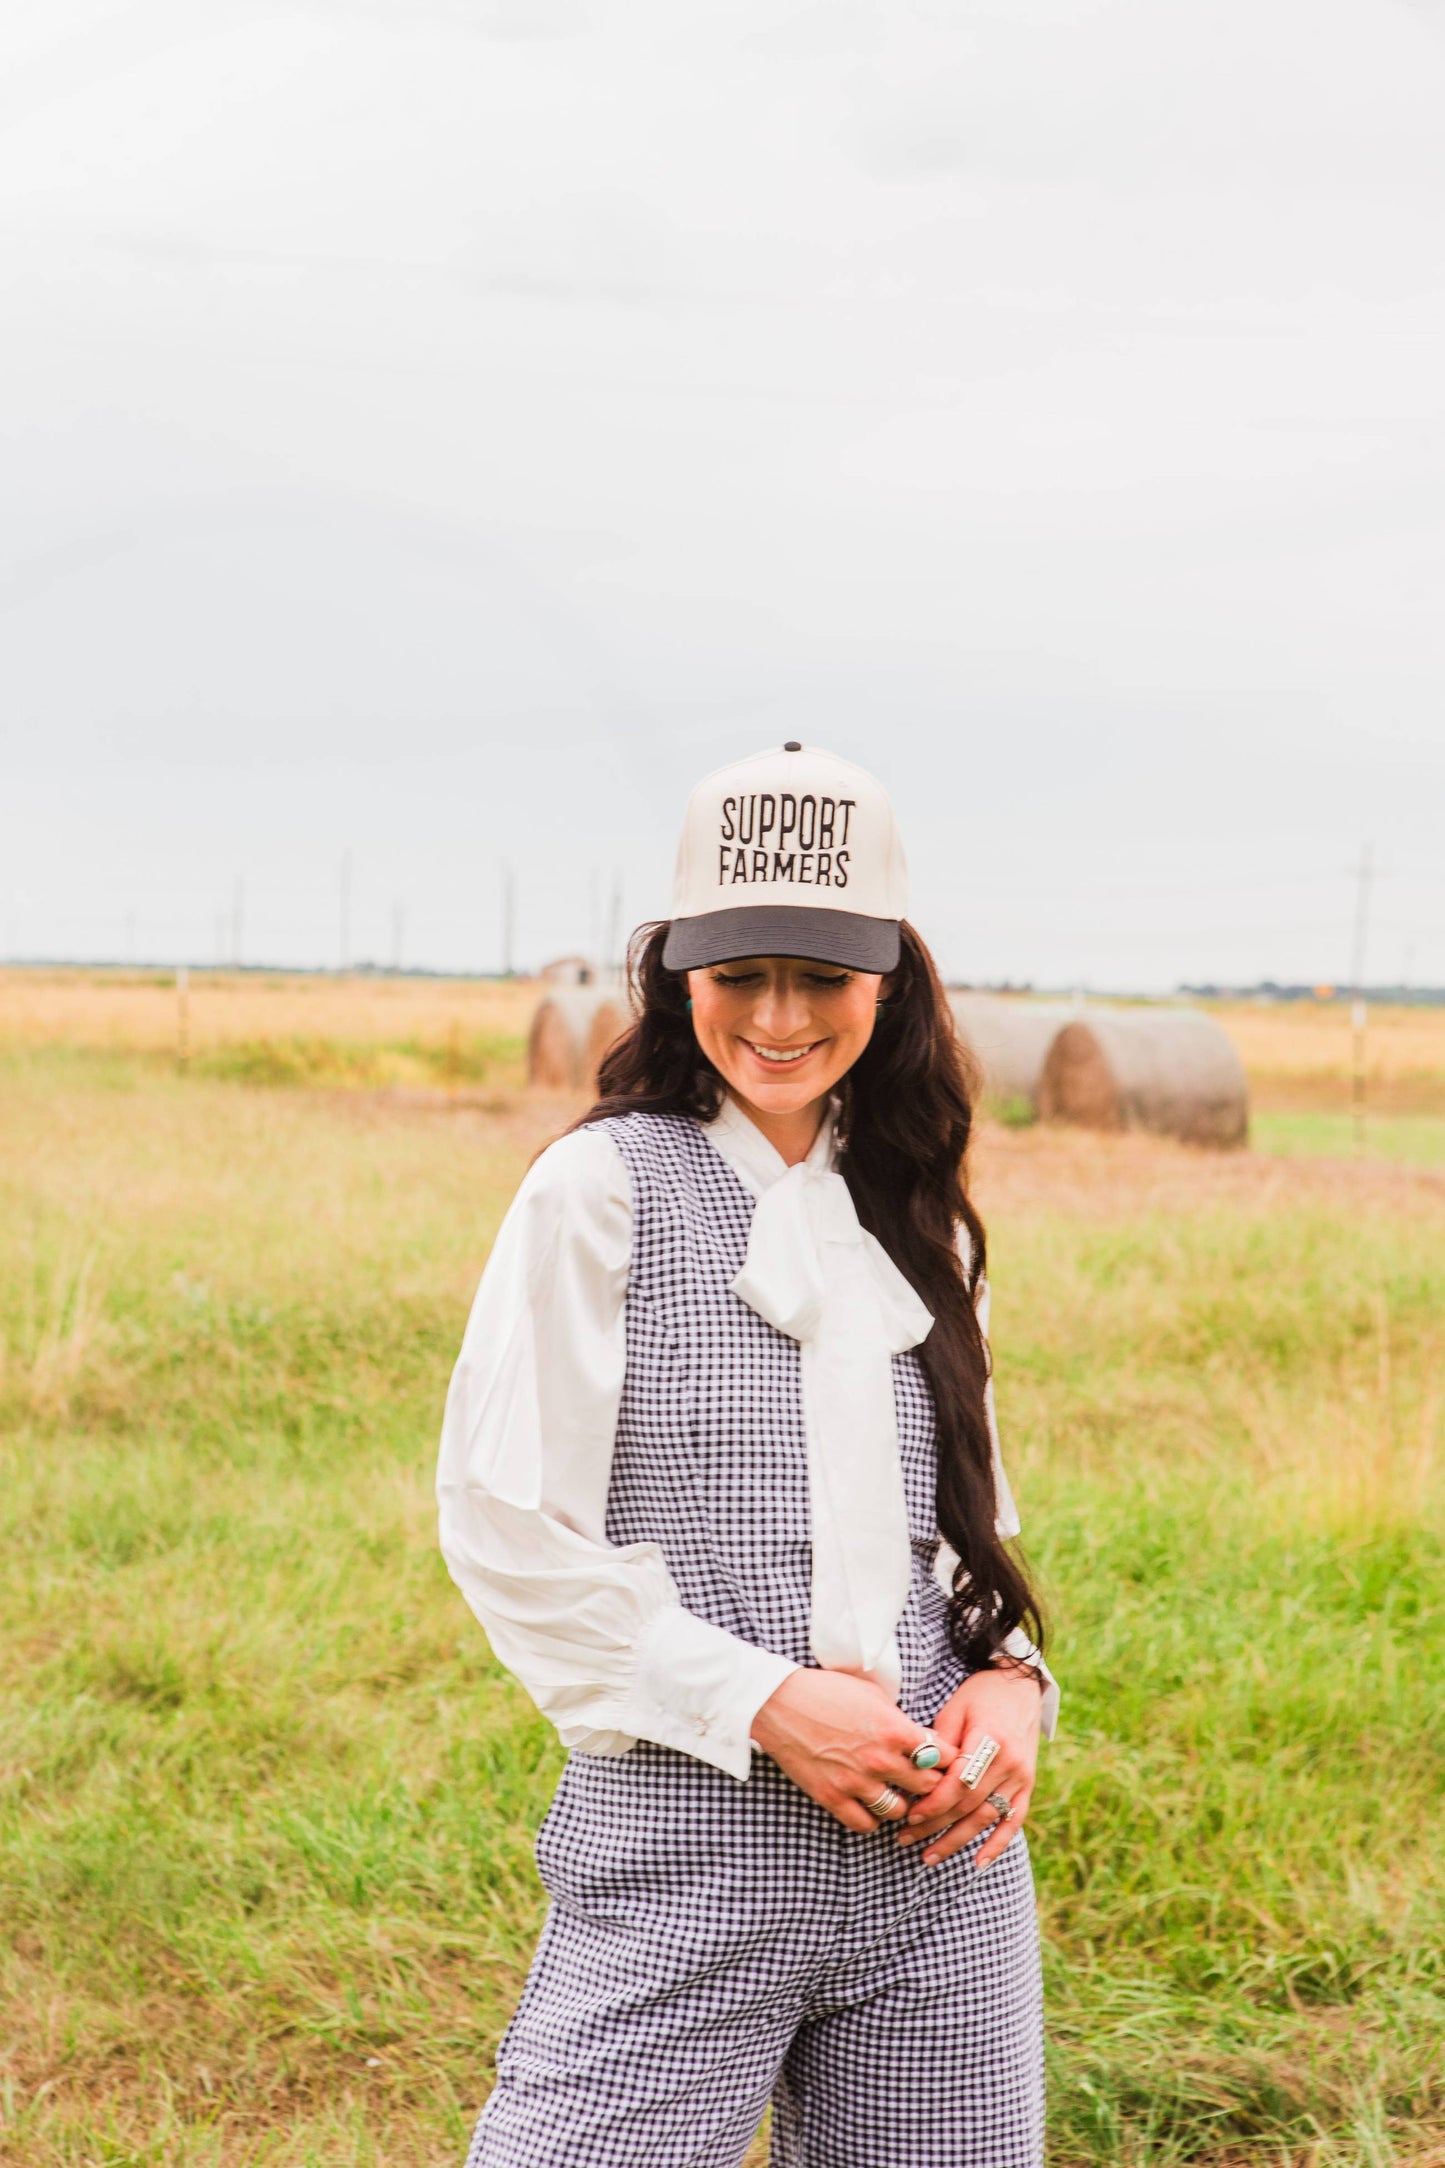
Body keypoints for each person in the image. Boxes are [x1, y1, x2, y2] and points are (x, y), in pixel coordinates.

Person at [438, 744, 1058, 2168]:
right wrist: (768, 1700)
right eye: (738, 975)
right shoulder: (598, 1193)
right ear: (676, 977)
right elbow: (502, 1528)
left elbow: (969, 1519)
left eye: (822, 977)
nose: (778, 1018)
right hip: (687, 1859)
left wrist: (1011, 1685)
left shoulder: (921, 1212)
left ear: (888, 979)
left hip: (941, 1878)